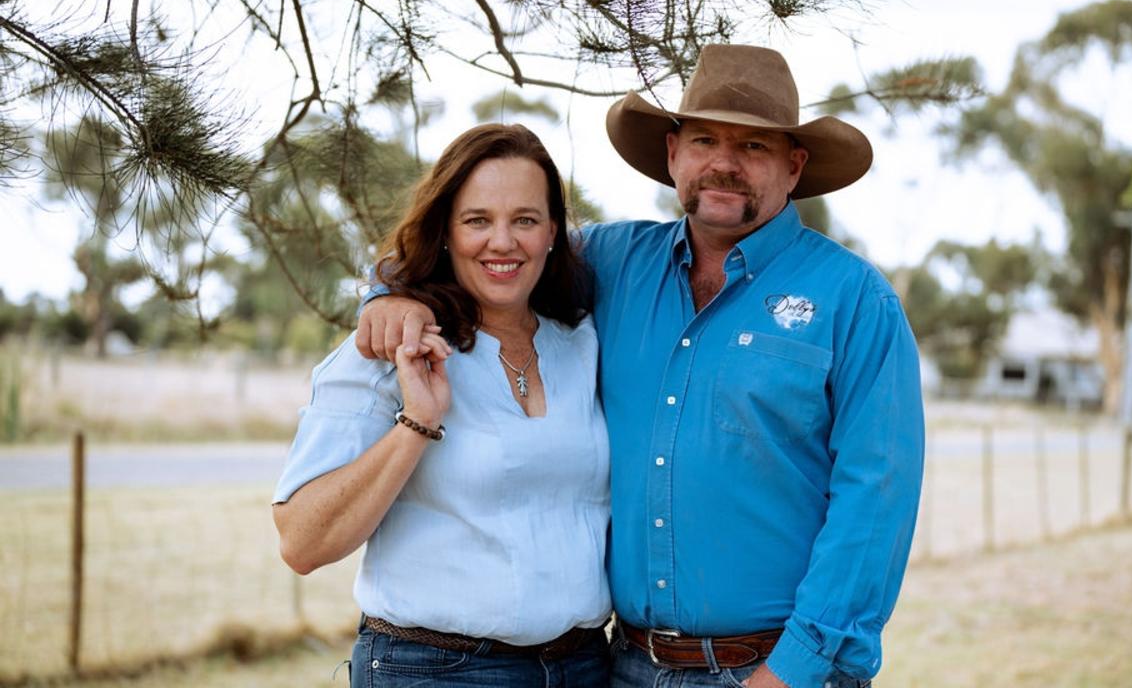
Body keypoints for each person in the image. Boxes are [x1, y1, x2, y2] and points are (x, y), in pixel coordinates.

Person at [358, 45, 925, 688]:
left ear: (794, 167)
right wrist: (393, 292)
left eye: (754, 148)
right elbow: (494, 255)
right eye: (705, 139)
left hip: (777, 671)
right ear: (672, 155)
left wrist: (794, 670)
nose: (724, 164)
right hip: (625, 667)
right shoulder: (613, 262)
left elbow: (876, 498)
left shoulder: (853, 299)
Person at [272, 124, 612, 688]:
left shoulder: (584, 345)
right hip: (437, 670)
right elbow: (302, 543)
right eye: (477, 220)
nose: (502, 242)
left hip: (582, 667)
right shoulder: (390, 349)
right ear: (447, 233)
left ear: (554, 232)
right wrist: (417, 423)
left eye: (524, 220)